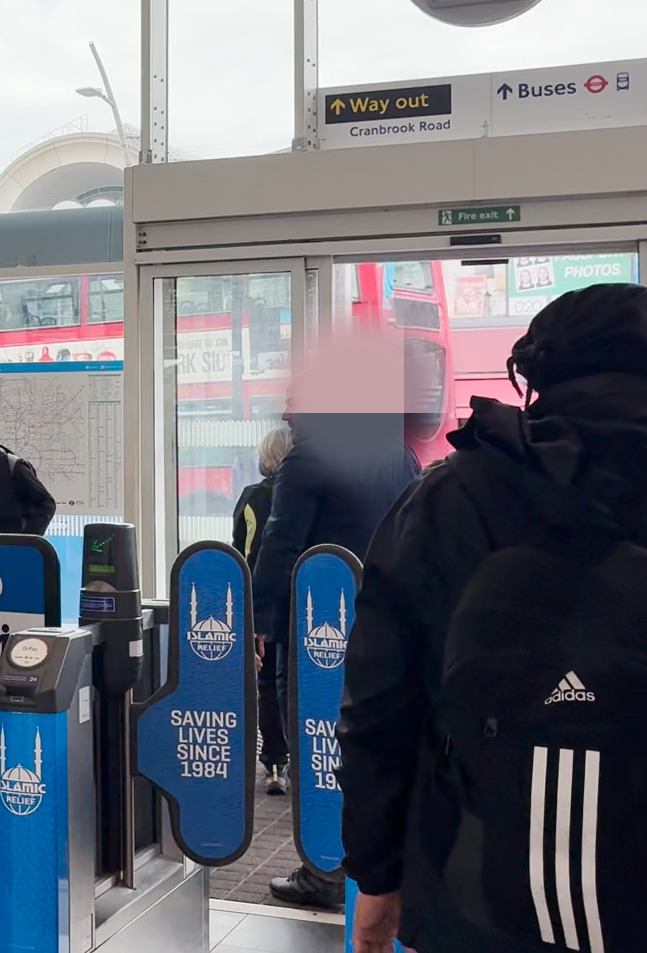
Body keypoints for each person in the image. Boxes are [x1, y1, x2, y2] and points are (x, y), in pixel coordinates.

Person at [341, 285, 647, 953]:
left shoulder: (442, 501)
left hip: (478, 901)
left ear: (537, 374)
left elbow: (379, 707)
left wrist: (375, 875)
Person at [253, 366, 420, 911]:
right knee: (376, 749)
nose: (286, 414)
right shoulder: (399, 455)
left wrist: (257, 621)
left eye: (295, 403)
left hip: (315, 634)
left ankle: (325, 873)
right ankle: (383, 872)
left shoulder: (307, 459)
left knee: (315, 743)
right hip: (390, 634)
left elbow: (280, 546)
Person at [232, 427, 292, 797]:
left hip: (263, 605)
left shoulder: (253, 497)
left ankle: (274, 765)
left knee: (267, 684)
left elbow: (241, 551)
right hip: (300, 602)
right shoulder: (312, 494)